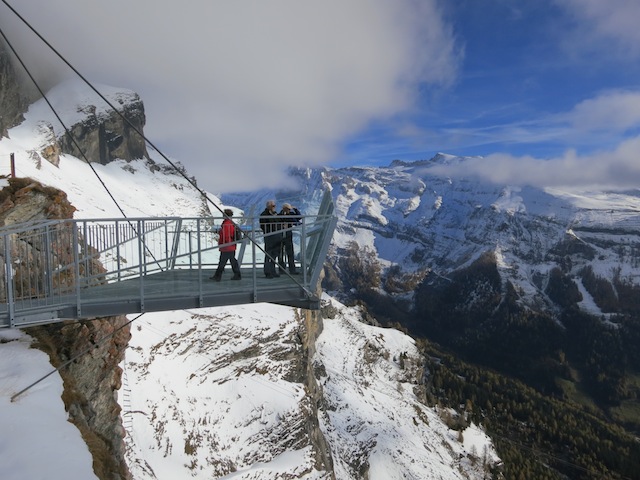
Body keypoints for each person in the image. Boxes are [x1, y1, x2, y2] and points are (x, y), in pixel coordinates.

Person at [211, 208, 242, 281]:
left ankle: (218, 276)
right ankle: (237, 275)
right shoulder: (231, 223)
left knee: (223, 261)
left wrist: (225, 243)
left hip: (227, 246)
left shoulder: (226, 224)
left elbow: (226, 235)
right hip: (231, 245)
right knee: (232, 260)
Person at [259, 199, 283, 278]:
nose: (274, 207)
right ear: (269, 206)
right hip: (270, 237)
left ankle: (273, 271)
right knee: (268, 255)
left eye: (274, 206)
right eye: (273, 206)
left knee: (274, 255)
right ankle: (267, 272)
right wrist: (271, 232)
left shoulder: (276, 214)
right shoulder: (264, 215)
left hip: (277, 237)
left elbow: (280, 222)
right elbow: (263, 226)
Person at [278, 203, 301, 274]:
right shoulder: (280, 215)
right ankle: (281, 269)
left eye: (288, 209)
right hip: (281, 236)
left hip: (288, 236)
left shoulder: (291, 214)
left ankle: (292, 269)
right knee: (281, 253)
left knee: (290, 253)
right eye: (286, 209)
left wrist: (295, 209)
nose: (287, 210)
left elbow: (299, 217)